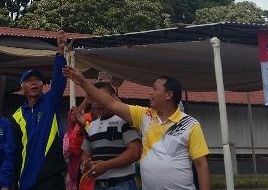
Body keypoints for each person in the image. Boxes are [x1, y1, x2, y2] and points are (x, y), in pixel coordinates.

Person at [63, 67, 210, 190]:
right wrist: (83, 82)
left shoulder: (190, 124)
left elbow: (200, 163)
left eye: (154, 89)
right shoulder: (145, 116)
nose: (150, 93)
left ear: (168, 95)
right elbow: (111, 104)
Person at [7, 30, 68, 190]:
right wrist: (7, 183)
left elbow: (59, 82)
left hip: (50, 175)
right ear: (22, 88)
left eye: (37, 80)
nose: (34, 83)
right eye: (29, 80)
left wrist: (60, 53)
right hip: (26, 180)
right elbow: (11, 152)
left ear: (42, 85)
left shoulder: (50, 102)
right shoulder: (17, 117)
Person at [80, 82, 141, 190]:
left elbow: (135, 152)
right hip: (99, 185)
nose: (99, 103)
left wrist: (106, 165)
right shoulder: (91, 126)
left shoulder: (124, 120)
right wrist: (86, 164)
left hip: (123, 184)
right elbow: (85, 153)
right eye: (95, 99)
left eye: (102, 98)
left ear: (112, 98)